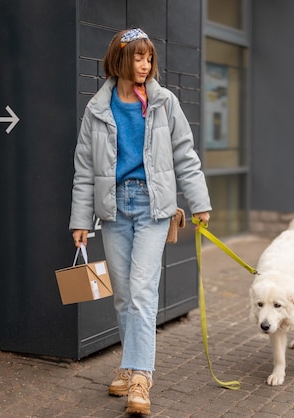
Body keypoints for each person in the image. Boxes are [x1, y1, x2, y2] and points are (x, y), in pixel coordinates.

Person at [69, 28, 211, 416]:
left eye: (149, 58)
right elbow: (84, 168)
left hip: (154, 208)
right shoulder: (97, 108)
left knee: (143, 291)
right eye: (137, 57)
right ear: (120, 60)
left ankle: (140, 378)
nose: (145, 65)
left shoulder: (165, 102)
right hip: (113, 210)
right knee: (122, 294)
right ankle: (128, 364)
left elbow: (185, 153)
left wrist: (199, 203)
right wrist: (81, 219)